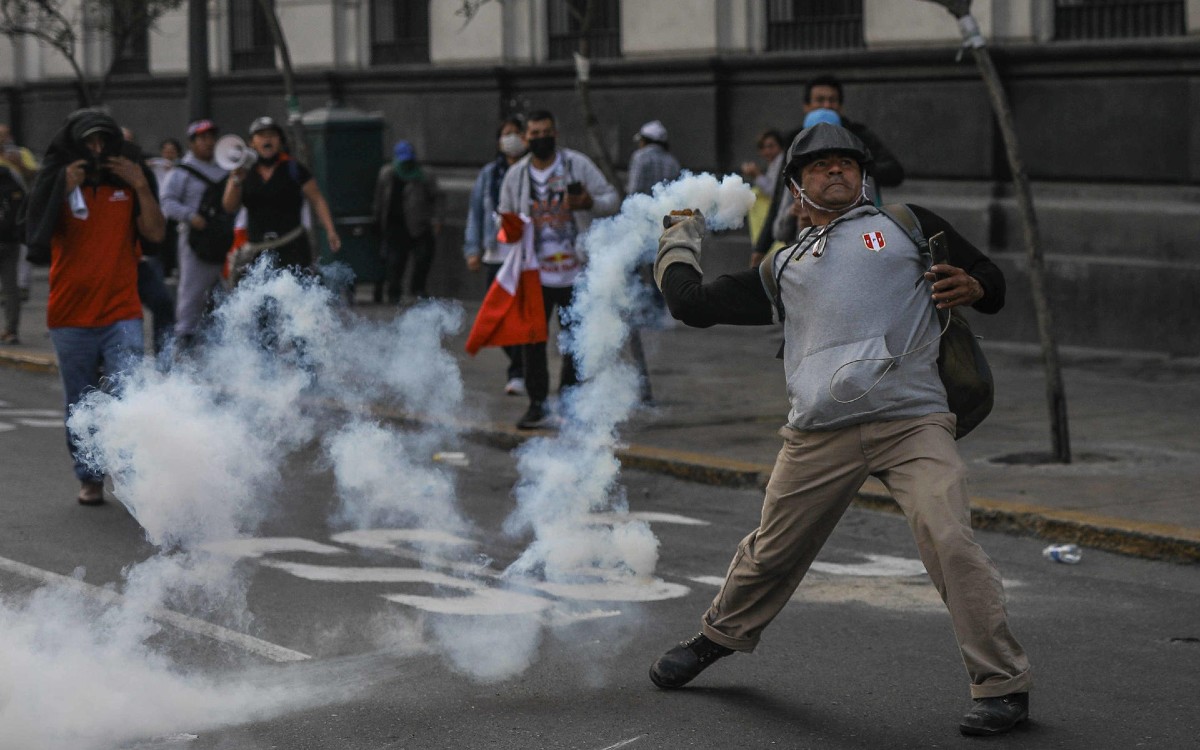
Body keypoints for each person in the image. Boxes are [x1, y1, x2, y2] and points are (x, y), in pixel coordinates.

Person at [648, 123, 1031, 737]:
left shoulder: (906, 225)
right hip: (820, 432)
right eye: (821, 166)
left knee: (950, 538)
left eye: (846, 165)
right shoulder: (784, 266)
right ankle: (717, 637)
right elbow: (691, 305)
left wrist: (977, 284)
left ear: (862, 176)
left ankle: (1002, 685)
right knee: (772, 550)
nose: (836, 172)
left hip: (913, 421)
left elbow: (993, 281)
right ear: (796, 188)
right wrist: (678, 238)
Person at [24, 109, 166, 505]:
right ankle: (89, 476)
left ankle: (135, 478)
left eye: (105, 141)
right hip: (69, 316)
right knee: (81, 402)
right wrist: (60, 189)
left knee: (128, 396)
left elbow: (155, 234)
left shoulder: (132, 179)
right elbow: (34, 235)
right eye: (90, 142)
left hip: (121, 312)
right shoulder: (57, 179)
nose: (99, 150)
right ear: (76, 145)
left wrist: (140, 187)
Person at [497, 109, 619, 429]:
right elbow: (504, 216)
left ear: (556, 133)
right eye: (534, 134)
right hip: (534, 272)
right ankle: (537, 404)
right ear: (526, 138)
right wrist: (509, 232)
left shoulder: (577, 165)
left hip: (576, 271)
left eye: (545, 132)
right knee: (533, 342)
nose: (540, 139)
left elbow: (612, 199)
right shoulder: (516, 176)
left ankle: (570, 403)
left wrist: (588, 203)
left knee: (575, 340)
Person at [750, 74, 905, 267]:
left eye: (845, 161)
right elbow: (780, 200)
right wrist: (762, 246)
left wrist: (860, 167)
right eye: (820, 163)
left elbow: (894, 172)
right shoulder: (796, 142)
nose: (835, 169)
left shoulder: (859, 138)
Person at [222, 116, 341, 282]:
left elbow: (317, 199)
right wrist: (235, 180)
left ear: (280, 141)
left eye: (272, 135)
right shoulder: (244, 171)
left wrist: (330, 230)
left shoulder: (293, 169)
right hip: (258, 250)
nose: (267, 139)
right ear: (252, 143)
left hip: (292, 247)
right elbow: (229, 206)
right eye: (261, 135)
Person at [464, 116, 527, 396]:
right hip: (495, 254)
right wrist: (473, 248)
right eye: (506, 133)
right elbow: (476, 211)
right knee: (497, 318)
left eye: (516, 133)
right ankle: (520, 364)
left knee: (522, 318)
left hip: (523, 257)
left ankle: (519, 373)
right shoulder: (490, 174)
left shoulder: (530, 170)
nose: (511, 138)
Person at [625, 119, 682, 405]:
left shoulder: (640, 157)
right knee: (660, 268)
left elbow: (634, 192)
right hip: (665, 224)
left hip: (643, 223)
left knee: (639, 272)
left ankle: (645, 307)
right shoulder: (672, 160)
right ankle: (662, 308)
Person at [160, 119, 226, 352]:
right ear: (192, 142)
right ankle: (185, 337)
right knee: (192, 291)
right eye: (203, 138)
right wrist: (190, 216)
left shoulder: (224, 166)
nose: (208, 142)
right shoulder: (181, 172)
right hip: (196, 239)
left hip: (224, 237)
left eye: (211, 137)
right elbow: (167, 202)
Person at [122, 126, 175, 355]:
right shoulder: (98, 179)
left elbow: (154, 227)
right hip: (109, 265)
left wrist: (140, 186)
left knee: (162, 303)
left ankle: (163, 360)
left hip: (137, 258)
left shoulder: (142, 174)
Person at [372, 139, 443, 303]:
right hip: (395, 225)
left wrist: (437, 218)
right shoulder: (387, 174)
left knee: (423, 258)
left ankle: (418, 288)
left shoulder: (424, 175)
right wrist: (377, 218)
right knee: (395, 262)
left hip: (419, 224)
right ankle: (394, 292)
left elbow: (438, 198)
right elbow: (379, 199)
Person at [0, 123, 40, 304]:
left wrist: (20, 164)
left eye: (5, 135)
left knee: (22, 247)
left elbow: (34, 175)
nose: (3, 139)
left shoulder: (21, 153)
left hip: (20, 206)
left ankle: (22, 285)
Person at [741, 129, 786, 255]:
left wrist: (757, 175)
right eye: (763, 147)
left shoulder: (781, 162)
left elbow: (773, 191)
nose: (767, 151)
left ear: (780, 147)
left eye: (771, 146)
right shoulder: (774, 163)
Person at [0, 161, 24, 343]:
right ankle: (11, 330)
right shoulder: (10, 177)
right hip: (10, 241)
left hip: (7, 239)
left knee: (10, 288)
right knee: (11, 287)